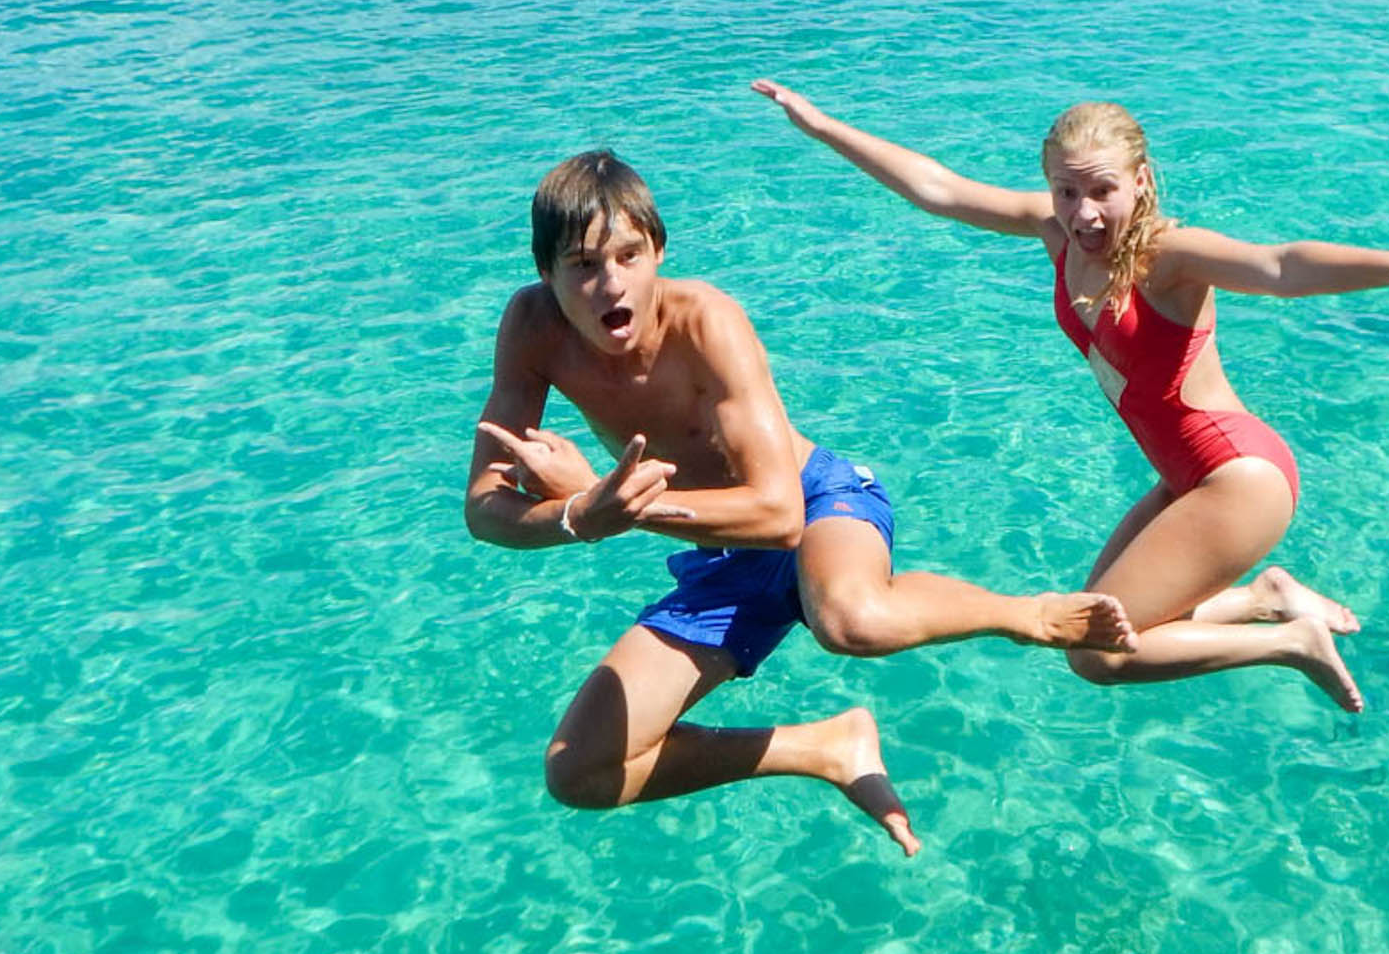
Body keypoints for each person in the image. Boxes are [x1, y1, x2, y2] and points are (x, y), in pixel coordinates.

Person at [754, 81, 1389, 715]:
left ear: (1141, 180)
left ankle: (1287, 639)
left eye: (1102, 189)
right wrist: (821, 126)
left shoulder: (1166, 258)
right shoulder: (1055, 233)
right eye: (1066, 190)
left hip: (1237, 478)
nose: (1083, 213)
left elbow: (1279, 265)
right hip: (1184, 477)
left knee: (1092, 653)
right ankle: (1267, 594)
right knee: (1095, 623)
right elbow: (938, 189)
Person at [467, 152, 1136, 857]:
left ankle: (1025, 613)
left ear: (658, 250)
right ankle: (825, 748)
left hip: (817, 501)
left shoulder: (707, 321)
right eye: (582, 265)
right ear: (545, 273)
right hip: (723, 547)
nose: (611, 284)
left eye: (630, 255)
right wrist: (578, 516)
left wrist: (609, 506)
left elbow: (779, 513)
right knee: (578, 770)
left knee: (850, 620)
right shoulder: (532, 329)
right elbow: (484, 510)